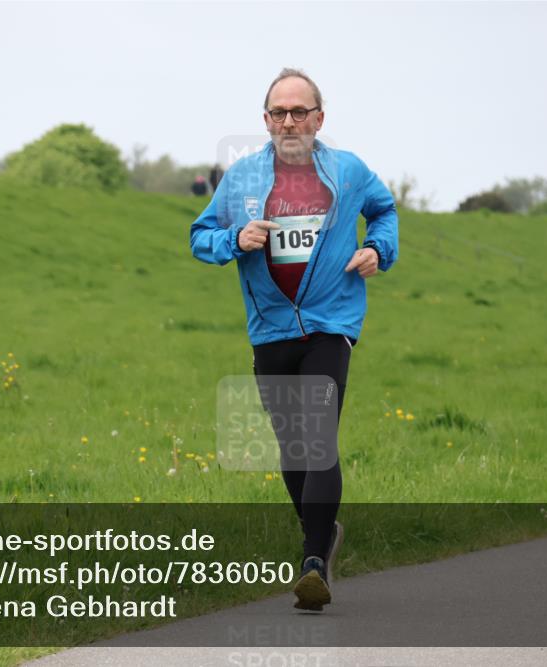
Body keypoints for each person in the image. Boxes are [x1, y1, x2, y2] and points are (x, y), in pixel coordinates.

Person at [190, 68, 398, 610]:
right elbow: (200, 237)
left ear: (318, 118)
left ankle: (312, 564)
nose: (289, 121)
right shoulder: (240, 180)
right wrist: (235, 238)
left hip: (331, 325)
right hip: (271, 331)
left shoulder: (347, 172)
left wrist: (379, 248)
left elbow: (385, 210)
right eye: (279, 112)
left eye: (299, 111)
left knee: (317, 436)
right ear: (265, 121)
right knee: (293, 452)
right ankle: (324, 534)